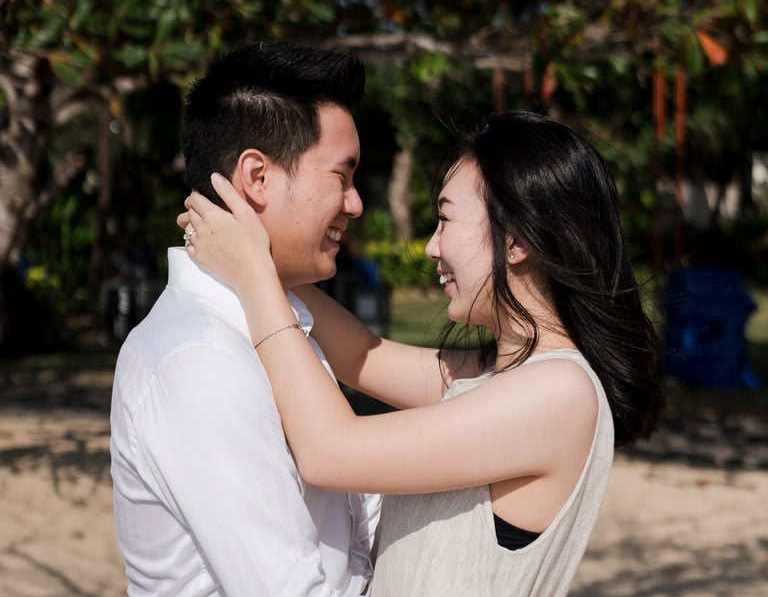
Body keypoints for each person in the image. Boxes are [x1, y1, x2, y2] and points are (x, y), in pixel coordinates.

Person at [180, 111, 665, 597]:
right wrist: (266, 256)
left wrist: (252, 275)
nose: (432, 247)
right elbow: (360, 356)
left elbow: (331, 451)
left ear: (515, 239)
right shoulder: (497, 375)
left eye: (446, 218)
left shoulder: (559, 394)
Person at [109, 41, 381, 597]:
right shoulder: (203, 361)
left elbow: (358, 529)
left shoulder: (278, 317)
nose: (355, 204)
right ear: (256, 177)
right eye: (341, 177)